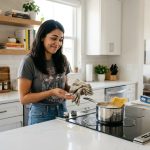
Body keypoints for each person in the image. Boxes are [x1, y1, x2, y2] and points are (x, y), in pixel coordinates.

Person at [17, 19, 74, 125]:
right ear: (42, 37)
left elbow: (65, 87)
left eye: (61, 40)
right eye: (53, 38)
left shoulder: (63, 60)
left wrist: (77, 89)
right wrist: (51, 92)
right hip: (40, 115)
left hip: (62, 111)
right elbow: (23, 99)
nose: (58, 43)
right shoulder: (29, 61)